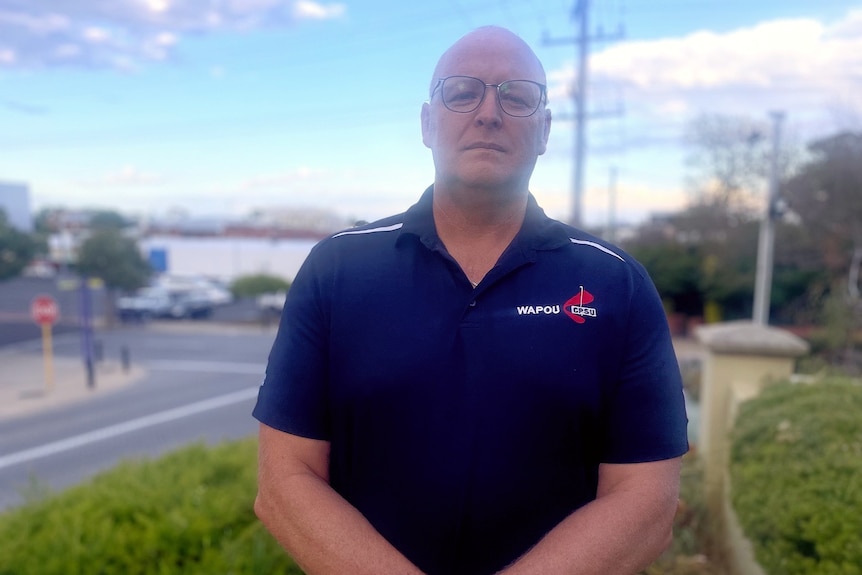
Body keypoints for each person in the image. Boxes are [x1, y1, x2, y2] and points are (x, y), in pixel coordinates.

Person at [253, 25, 688, 575]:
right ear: (427, 122)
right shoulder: (336, 269)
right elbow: (285, 481)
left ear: (546, 128)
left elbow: (645, 500)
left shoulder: (616, 283)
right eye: (462, 92)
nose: (488, 112)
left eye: (517, 96)